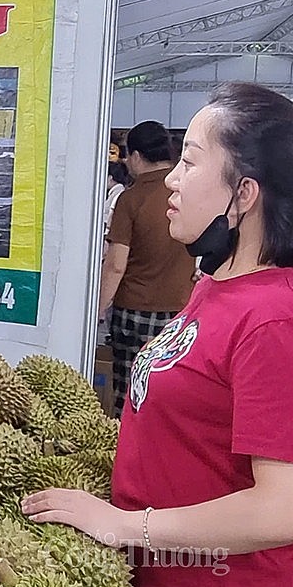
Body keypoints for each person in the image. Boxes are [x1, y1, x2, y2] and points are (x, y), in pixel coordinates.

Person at [24, 82, 293, 587]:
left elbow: (290, 510)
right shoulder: (217, 284)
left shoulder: (278, 322)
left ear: (243, 194)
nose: (172, 179)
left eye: (191, 162)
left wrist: (127, 524)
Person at [99, 121, 197, 417]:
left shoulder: (131, 199)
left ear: (138, 156)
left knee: (129, 394)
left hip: (134, 313)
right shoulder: (188, 194)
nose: (127, 162)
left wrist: (96, 313)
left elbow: (116, 265)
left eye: (128, 156)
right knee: (167, 392)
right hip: (181, 312)